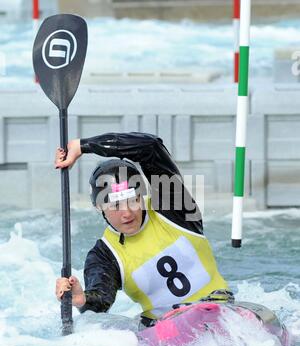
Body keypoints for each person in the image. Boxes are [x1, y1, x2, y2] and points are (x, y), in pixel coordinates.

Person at [55, 132, 232, 328]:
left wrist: (83, 146)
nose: (127, 213)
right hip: (166, 331)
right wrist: (81, 299)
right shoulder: (104, 256)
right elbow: (100, 303)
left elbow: (150, 147)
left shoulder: (174, 209)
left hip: (220, 308)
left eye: (133, 200)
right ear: (99, 207)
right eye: (116, 205)